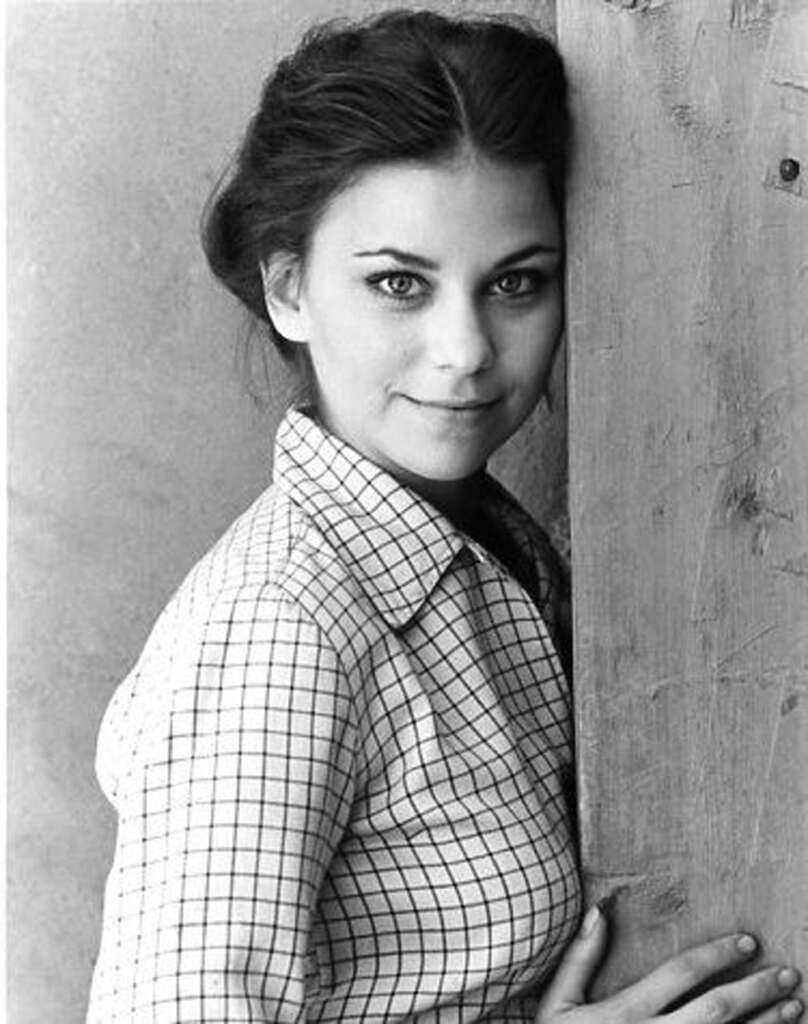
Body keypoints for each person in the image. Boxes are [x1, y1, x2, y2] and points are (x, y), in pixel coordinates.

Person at [87, 10, 803, 1023]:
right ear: (289, 288)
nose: (465, 347)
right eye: (398, 284)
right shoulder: (281, 631)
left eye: (516, 282)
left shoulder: (488, 554)